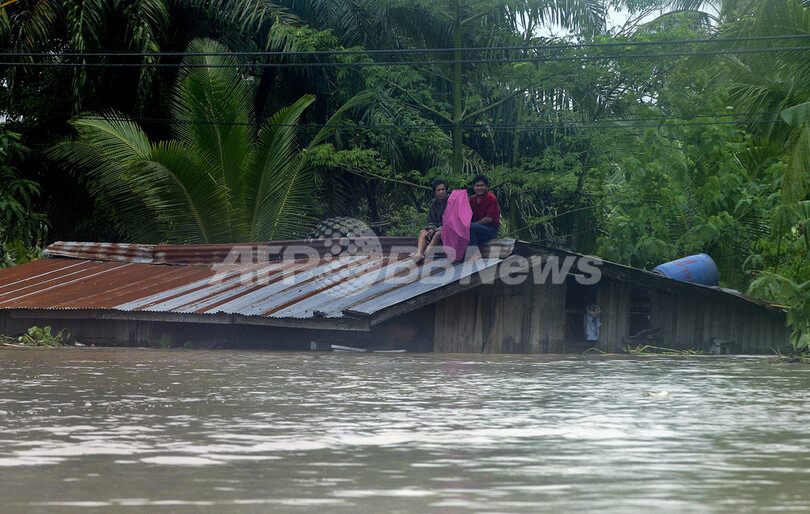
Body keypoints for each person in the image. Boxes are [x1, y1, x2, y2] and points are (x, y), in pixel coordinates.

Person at [412, 179, 449, 263]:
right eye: (438, 190)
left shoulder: (451, 201)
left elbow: (450, 220)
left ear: (446, 190)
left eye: (443, 189)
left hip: (447, 229)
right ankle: (419, 253)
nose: (441, 192)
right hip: (436, 228)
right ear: (435, 193)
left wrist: (435, 230)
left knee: (438, 233)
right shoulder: (434, 204)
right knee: (423, 232)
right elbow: (431, 220)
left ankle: (423, 256)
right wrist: (431, 229)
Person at [468, 175, 499, 251]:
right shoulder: (473, 199)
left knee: (469, 227)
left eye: (482, 185)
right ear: (473, 187)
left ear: (486, 187)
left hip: (491, 230)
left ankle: (475, 252)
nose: (479, 188)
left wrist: (474, 225)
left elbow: (489, 219)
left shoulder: (491, 198)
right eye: (477, 186)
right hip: (477, 229)